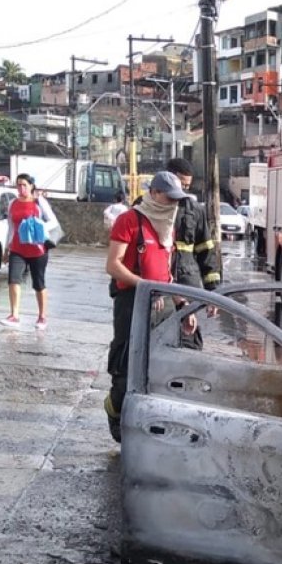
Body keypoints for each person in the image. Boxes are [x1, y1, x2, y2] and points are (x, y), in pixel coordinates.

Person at [103, 171, 196, 442]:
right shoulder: (129, 220)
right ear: (154, 193)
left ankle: (147, 427)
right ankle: (115, 411)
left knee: (156, 368)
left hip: (162, 302)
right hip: (132, 301)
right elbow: (113, 265)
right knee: (126, 366)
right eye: (169, 198)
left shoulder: (169, 227)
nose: (173, 204)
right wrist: (142, 285)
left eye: (177, 199)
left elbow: (166, 272)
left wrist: (182, 305)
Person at [0, 173, 51, 330]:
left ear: (31, 186)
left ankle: (42, 316)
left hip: (38, 249)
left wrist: (38, 225)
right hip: (17, 248)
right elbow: (10, 228)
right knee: (13, 279)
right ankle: (14, 315)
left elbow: (52, 221)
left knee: (39, 283)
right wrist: (7, 249)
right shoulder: (12, 204)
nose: (21, 188)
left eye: (24, 185)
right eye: (19, 185)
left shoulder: (39, 203)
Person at [165, 157, 221, 290]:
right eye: (180, 185)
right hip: (158, 281)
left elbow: (206, 251)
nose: (183, 191)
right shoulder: (147, 207)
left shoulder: (195, 210)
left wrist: (213, 290)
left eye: (187, 187)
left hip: (188, 281)